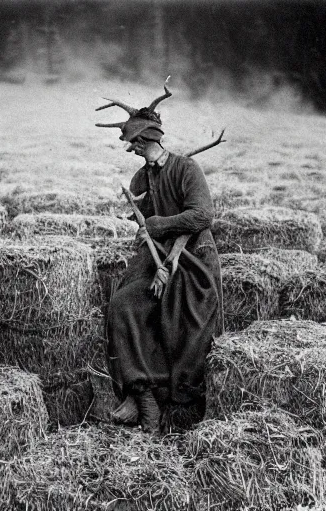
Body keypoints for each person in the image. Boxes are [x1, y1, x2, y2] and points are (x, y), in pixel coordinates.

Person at [95, 86, 224, 434]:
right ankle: (140, 392)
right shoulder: (140, 178)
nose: (132, 148)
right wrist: (144, 235)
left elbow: (202, 216)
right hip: (158, 259)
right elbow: (146, 228)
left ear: (151, 137)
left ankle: (161, 404)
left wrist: (158, 225)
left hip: (194, 260)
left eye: (136, 141)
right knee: (123, 305)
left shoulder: (186, 169)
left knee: (176, 319)